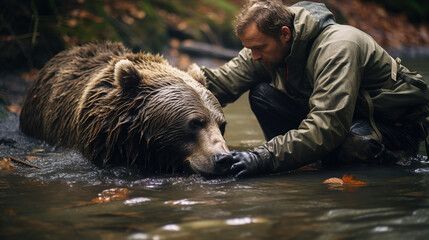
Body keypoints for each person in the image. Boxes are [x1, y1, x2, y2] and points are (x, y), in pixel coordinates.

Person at [200, 0, 429, 178]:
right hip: (342, 120)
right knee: (263, 95)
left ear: (285, 34)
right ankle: (305, 162)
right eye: (250, 49)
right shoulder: (266, 46)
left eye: (259, 48)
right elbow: (219, 83)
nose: (254, 56)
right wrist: (168, 84)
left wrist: (263, 157)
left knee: (353, 147)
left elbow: (327, 128)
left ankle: (385, 161)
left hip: (390, 127)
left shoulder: (338, 47)